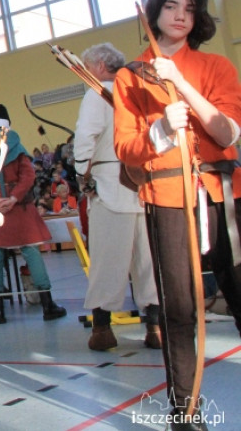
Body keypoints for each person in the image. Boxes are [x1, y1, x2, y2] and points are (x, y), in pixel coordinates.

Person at [113, 0, 241, 429]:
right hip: (167, 197)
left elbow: (227, 134)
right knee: (179, 310)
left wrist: (181, 83)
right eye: (171, 6)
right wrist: (162, 129)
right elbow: (126, 150)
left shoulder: (216, 67)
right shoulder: (129, 76)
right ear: (155, 12)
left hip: (222, 195)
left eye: (189, 8)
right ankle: (185, 413)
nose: (181, 15)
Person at [73, 42, 160, 352]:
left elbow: (86, 136)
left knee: (107, 260)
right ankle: (156, 327)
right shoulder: (139, 90)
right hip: (145, 185)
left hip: (110, 184)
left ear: (99, 66)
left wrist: (81, 174)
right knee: (148, 259)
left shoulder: (97, 93)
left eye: (88, 67)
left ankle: (102, 329)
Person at [0, 104, 67, 324]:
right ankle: (47, 305)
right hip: (18, 208)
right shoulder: (16, 147)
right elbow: (28, 176)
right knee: (31, 252)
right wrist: (13, 197)